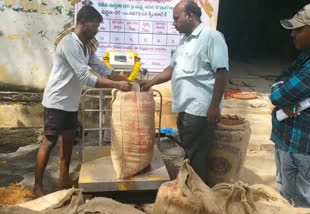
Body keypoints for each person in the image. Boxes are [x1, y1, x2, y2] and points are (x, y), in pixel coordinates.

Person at [33, 5, 132, 197]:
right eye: (95, 26)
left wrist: (125, 80)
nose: (97, 30)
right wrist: (116, 86)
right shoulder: (69, 44)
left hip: (70, 101)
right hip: (56, 101)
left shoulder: (86, 46)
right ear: (83, 23)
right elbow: (85, 77)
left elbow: (102, 68)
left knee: (69, 138)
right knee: (50, 141)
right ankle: (37, 185)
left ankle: (64, 177)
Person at [141, 0, 229, 183]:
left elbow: (221, 72)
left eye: (176, 18)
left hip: (200, 110)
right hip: (185, 108)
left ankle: (198, 198)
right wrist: (150, 83)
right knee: (190, 153)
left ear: (190, 15)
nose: (174, 23)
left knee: (197, 158)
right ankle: (190, 190)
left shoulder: (212, 37)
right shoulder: (184, 41)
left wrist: (214, 106)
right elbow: (171, 69)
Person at [269, 3, 310, 208]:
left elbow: (279, 95)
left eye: (299, 30)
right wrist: (282, 86)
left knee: (297, 201)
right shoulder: (307, 57)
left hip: (301, 148)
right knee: (285, 193)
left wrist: (280, 88)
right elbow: (283, 78)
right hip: (289, 141)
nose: (292, 34)